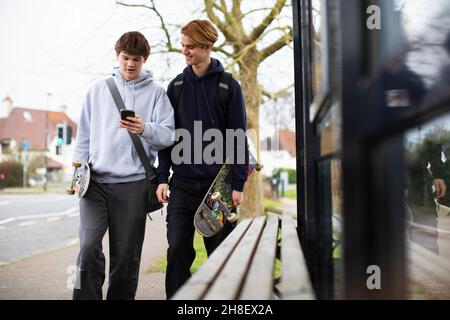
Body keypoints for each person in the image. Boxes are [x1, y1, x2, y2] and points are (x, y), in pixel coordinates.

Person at [72, 31, 175, 300]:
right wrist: (77, 172)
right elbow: (83, 134)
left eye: (137, 59)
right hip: (94, 183)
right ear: (117, 56)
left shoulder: (156, 94)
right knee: (88, 247)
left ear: (145, 60)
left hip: (132, 185)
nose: (130, 64)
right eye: (126, 57)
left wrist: (144, 128)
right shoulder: (98, 89)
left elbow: (169, 136)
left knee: (126, 256)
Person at [156, 20, 249, 299]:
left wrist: (238, 183)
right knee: (177, 254)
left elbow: (237, 136)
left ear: (208, 47)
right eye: (183, 46)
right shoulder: (176, 87)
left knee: (221, 257)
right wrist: (162, 178)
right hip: (182, 186)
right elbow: (166, 137)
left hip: (217, 188)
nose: (185, 52)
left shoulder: (228, 86)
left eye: (191, 47)